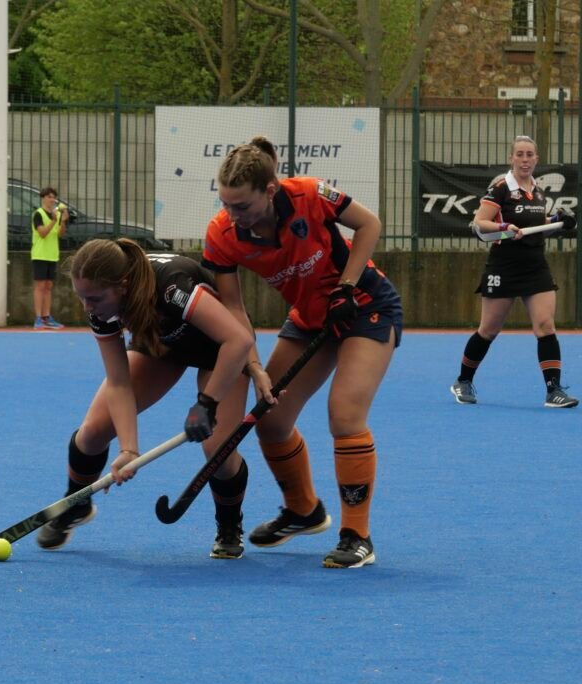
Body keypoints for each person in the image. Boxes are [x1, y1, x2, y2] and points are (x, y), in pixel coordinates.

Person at [203, 136, 403, 569]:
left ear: (269, 190)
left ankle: (357, 536)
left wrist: (346, 287)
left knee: (344, 415)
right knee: (271, 419)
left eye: (242, 206)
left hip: (364, 306)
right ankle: (303, 510)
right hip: (310, 319)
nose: (232, 215)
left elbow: (369, 224)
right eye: (226, 204)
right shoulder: (222, 234)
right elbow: (234, 309)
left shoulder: (310, 194)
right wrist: (254, 367)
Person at [35, 237, 258, 558]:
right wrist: (129, 449)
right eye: (81, 297)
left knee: (217, 450)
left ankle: (229, 525)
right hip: (163, 345)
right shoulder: (100, 307)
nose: (87, 308)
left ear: (123, 286)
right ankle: (76, 503)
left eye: (94, 298)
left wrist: (207, 403)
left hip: (220, 349)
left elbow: (238, 340)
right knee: (94, 431)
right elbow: (118, 383)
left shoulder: (170, 287)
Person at [451, 135, 578, 408]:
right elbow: (480, 222)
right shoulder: (501, 187)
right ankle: (463, 380)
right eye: (519, 154)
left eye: (529, 154)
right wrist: (504, 227)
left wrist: (557, 221)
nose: (524, 159)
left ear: (536, 159)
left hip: (535, 265)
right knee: (488, 330)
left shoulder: (538, 191)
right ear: (512, 158)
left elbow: (535, 224)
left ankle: (553, 390)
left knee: (546, 326)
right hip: (504, 265)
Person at [31, 186, 69, 329]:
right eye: (49, 197)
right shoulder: (38, 214)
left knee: (48, 286)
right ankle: (38, 318)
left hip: (52, 255)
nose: (52, 200)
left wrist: (63, 221)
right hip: (40, 254)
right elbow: (42, 233)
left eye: (53, 197)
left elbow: (60, 234)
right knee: (40, 285)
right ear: (43, 198)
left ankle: (47, 317)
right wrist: (53, 221)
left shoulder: (57, 215)